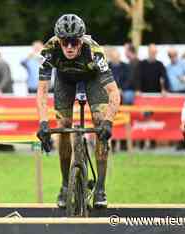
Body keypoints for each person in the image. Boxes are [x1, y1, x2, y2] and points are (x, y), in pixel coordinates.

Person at [36, 14, 120, 208]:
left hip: (92, 79)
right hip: (64, 80)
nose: (70, 47)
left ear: (81, 41)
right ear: (58, 40)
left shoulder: (94, 51)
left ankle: (100, 187)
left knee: (99, 122)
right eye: (65, 42)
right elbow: (42, 91)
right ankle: (65, 185)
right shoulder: (49, 50)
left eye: (74, 42)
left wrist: (108, 122)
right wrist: (42, 123)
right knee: (63, 125)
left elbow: (113, 92)